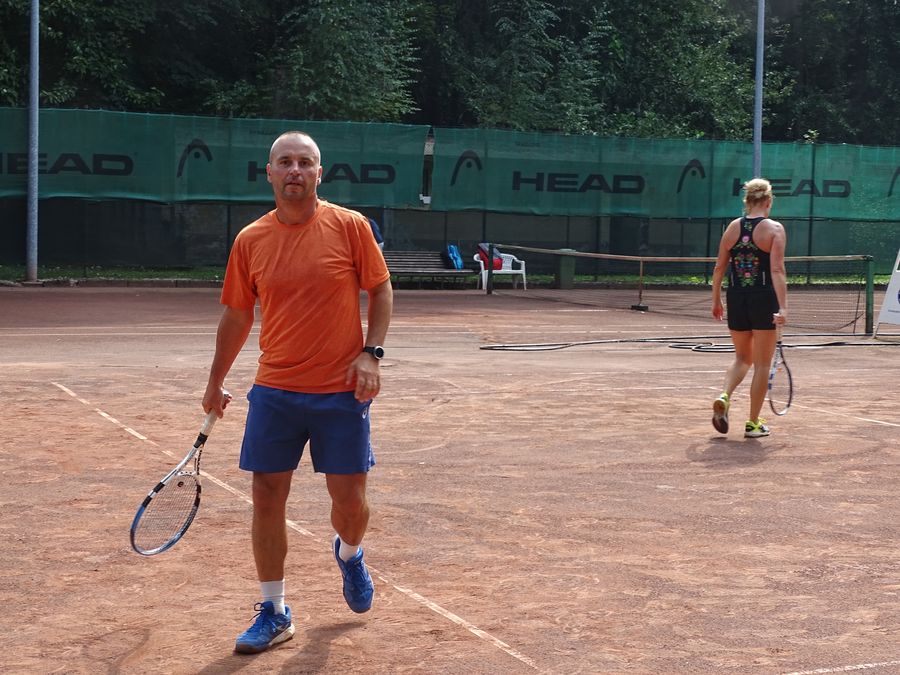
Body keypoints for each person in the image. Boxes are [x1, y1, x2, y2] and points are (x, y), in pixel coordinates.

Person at [202, 130, 393, 654]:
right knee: (266, 495)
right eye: (285, 162)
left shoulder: (350, 227)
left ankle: (349, 554)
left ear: (319, 173)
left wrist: (371, 354)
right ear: (268, 172)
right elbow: (237, 315)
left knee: (349, 503)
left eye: (305, 163)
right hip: (275, 391)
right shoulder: (250, 240)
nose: (295, 171)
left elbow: (380, 289)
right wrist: (215, 381)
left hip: (341, 393)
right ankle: (275, 611)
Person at [711, 177, 787, 438]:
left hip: (736, 297)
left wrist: (716, 300)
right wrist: (783, 307)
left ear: (748, 200)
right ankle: (753, 423)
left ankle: (724, 395)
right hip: (764, 298)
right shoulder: (774, 229)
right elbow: (777, 270)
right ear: (768, 201)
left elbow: (719, 267)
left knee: (742, 358)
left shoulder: (733, 227)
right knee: (762, 364)